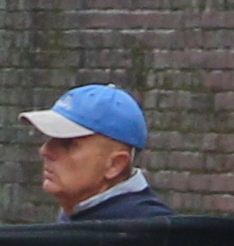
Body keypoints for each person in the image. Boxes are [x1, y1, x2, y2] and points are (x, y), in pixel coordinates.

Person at [24, 85, 172, 221]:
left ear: (115, 164)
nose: (45, 150)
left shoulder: (150, 235)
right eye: (52, 138)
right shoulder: (82, 214)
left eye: (69, 143)